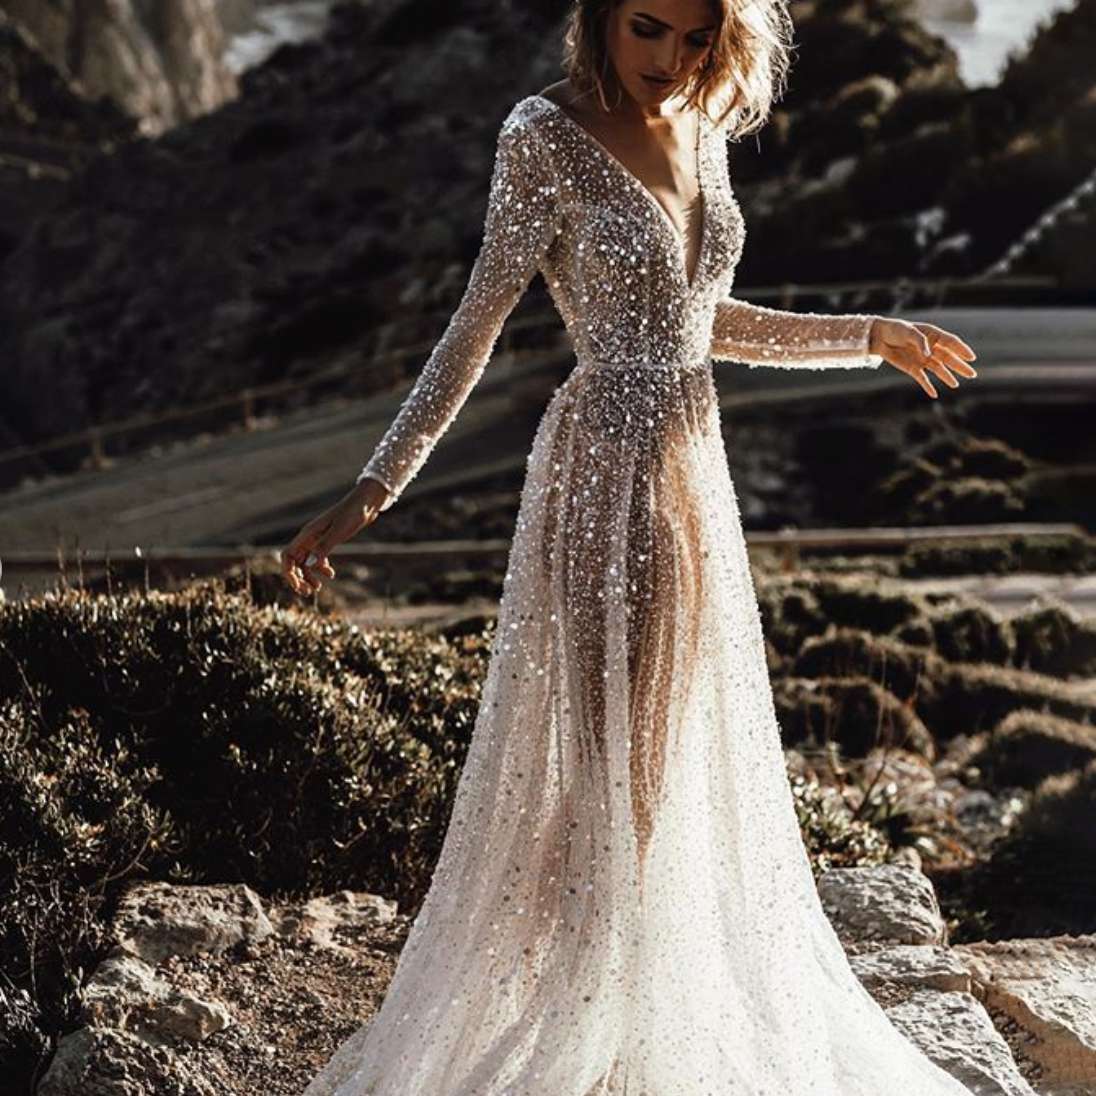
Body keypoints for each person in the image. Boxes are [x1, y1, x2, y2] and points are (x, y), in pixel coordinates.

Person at [289, 1, 980, 1092]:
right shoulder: (542, 135)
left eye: (698, 38)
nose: (672, 60)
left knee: (653, 763)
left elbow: (708, 323)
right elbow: (476, 323)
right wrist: (378, 488)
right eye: (648, 28)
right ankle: (575, 1023)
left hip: (692, 471)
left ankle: (610, 1007)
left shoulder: (702, 126)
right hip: (602, 472)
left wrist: (868, 336)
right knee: (619, 761)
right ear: (601, 18)